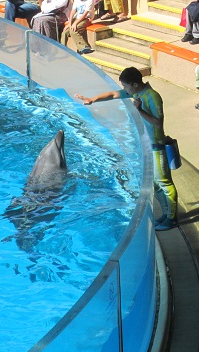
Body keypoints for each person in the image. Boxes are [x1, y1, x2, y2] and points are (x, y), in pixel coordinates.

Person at [74, 67, 179, 230]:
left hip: (156, 146)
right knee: (156, 184)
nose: (124, 89)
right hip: (147, 146)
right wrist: (92, 99)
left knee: (165, 183)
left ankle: (172, 219)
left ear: (135, 84)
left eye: (125, 86)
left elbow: (158, 122)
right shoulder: (136, 93)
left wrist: (140, 110)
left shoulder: (152, 97)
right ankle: (166, 214)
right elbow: (114, 95)